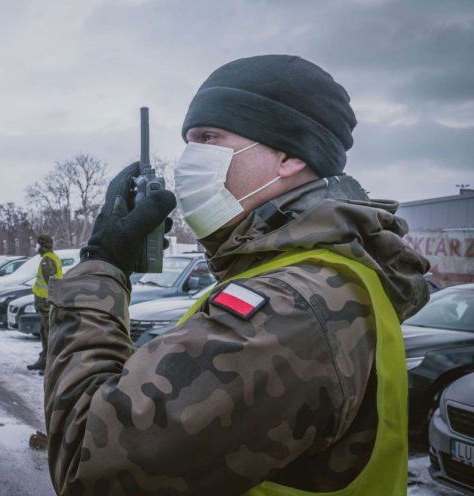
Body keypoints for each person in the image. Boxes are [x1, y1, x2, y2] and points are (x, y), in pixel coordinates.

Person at [44, 55, 430, 495]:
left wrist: (103, 266)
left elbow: (87, 465)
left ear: (289, 156)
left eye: (209, 138)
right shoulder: (315, 273)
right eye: (190, 141)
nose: (191, 159)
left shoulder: (292, 306)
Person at [26, 234, 62, 373]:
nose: (37, 248)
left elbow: (52, 281)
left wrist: (50, 300)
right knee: (44, 331)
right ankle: (44, 360)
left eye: (38, 245)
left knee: (48, 333)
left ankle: (50, 365)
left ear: (42, 246)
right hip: (45, 302)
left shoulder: (48, 259)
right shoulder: (49, 258)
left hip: (47, 302)